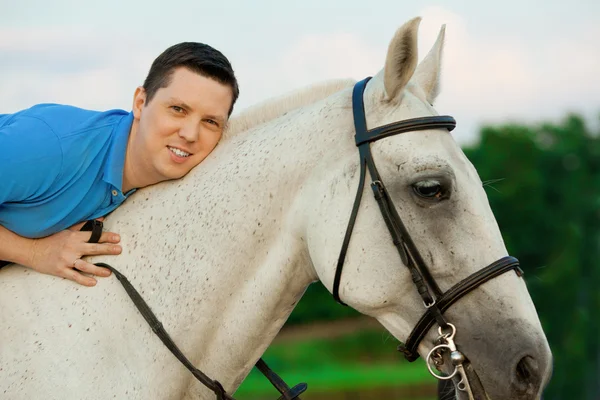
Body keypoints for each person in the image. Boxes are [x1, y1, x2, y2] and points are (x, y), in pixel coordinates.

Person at [0, 42, 239, 287]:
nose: (190, 134)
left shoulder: (183, 176)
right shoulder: (51, 145)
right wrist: (33, 252)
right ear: (139, 103)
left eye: (210, 122)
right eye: (177, 109)